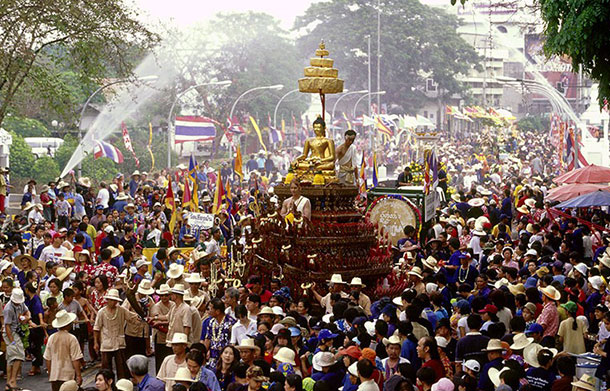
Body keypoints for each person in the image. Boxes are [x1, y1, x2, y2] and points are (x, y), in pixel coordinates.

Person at [44, 310, 83, 391]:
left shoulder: (51, 338)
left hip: (55, 376)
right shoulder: (71, 338)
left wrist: (50, 373)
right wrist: (78, 375)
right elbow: (75, 359)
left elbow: (48, 358)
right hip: (68, 375)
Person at [3, 288, 31, 390]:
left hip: (16, 331)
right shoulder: (8, 308)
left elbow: (27, 311)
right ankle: (12, 380)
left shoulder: (21, 304)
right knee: (19, 355)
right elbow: (7, 326)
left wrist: (27, 318)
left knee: (11, 358)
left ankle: (8, 383)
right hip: (10, 333)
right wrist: (12, 341)